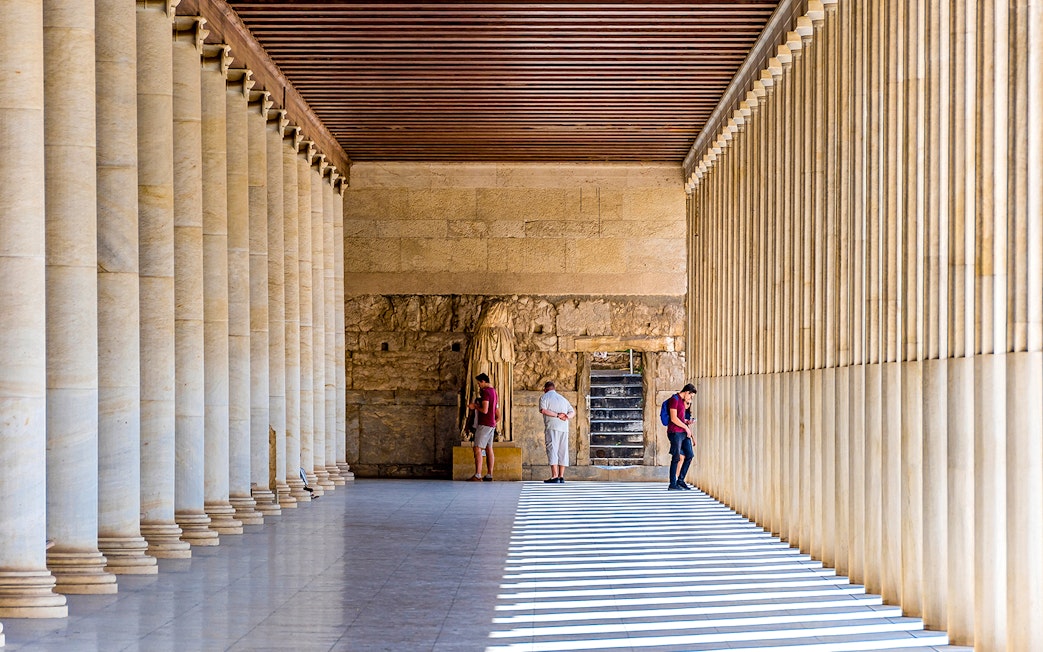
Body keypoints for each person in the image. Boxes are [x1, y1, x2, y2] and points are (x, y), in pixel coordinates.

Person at [538, 381, 575, 483]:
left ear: (545, 389)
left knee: (552, 449)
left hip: (552, 426)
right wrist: (566, 416)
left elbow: (543, 410)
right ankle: (561, 476)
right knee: (563, 450)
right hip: (564, 427)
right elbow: (572, 412)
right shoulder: (563, 399)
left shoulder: (544, 397)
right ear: (554, 388)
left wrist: (557, 415)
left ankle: (554, 476)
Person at [467, 373, 499, 481]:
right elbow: (495, 410)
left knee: (477, 448)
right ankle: (489, 474)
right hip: (491, 424)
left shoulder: (486, 392)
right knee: (489, 448)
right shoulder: (494, 392)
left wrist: (475, 406)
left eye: (479, 383)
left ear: (483, 381)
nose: (479, 385)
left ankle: (478, 474)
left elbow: (485, 410)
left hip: (484, 424)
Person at [666, 383, 697, 490]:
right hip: (675, 432)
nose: (690, 398)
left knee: (689, 455)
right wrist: (686, 428)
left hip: (683, 432)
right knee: (676, 457)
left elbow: (680, 418)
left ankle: (680, 480)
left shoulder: (683, 402)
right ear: (687, 392)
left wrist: (687, 423)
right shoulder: (674, 400)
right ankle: (672, 483)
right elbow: (674, 418)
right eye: (691, 396)